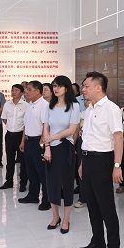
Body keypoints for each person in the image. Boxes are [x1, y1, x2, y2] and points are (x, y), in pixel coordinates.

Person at [75, 72, 124, 248]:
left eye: (86, 86)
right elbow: (87, 138)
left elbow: (118, 138)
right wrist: (82, 163)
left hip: (103, 161)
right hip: (88, 160)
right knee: (92, 205)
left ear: (98, 87)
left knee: (106, 208)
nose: (83, 89)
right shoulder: (89, 109)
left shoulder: (111, 109)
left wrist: (117, 166)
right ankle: (97, 242)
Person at [42, 76, 79, 233]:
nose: (55, 89)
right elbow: (46, 127)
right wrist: (47, 146)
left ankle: (66, 219)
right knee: (52, 183)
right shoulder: (49, 106)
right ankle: (55, 216)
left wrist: (52, 137)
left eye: (58, 86)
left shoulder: (74, 106)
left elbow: (72, 130)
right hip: (51, 148)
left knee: (67, 183)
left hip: (65, 147)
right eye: (54, 86)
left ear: (66, 88)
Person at [17, 80, 50, 210]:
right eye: (26, 89)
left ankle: (47, 200)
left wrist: (42, 143)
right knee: (31, 171)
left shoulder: (44, 105)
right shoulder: (29, 105)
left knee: (43, 173)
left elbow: (46, 125)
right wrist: (23, 141)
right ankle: (33, 195)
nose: (26, 92)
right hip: (28, 141)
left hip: (38, 142)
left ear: (37, 91)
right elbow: (26, 125)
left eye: (29, 89)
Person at [0, 84, 28, 190]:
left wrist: (22, 138)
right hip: (9, 135)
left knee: (23, 161)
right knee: (10, 159)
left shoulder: (26, 105)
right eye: (12, 90)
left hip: (21, 135)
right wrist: (11, 126)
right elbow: (4, 118)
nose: (13, 92)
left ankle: (23, 183)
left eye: (16, 90)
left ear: (21, 93)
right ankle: (9, 181)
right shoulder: (7, 104)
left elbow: (26, 123)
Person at [73, 97, 90, 208]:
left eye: (88, 100)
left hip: (95, 144)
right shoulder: (81, 114)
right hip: (82, 142)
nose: (85, 102)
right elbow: (76, 130)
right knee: (81, 169)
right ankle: (83, 197)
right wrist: (73, 144)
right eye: (84, 100)